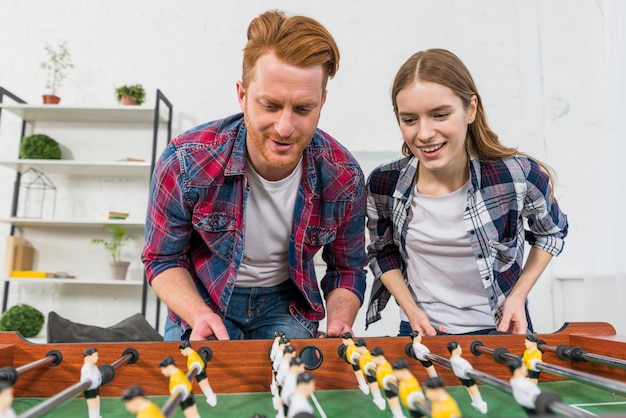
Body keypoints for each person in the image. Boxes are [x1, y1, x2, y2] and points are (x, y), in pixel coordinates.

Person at [142, 9, 367, 342]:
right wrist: (198, 315)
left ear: (322, 102)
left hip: (286, 305)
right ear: (242, 96)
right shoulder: (185, 162)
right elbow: (162, 257)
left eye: (303, 108)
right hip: (204, 298)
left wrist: (339, 320)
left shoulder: (343, 176)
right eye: (270, 105)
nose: (285, 128)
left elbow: (347, 269)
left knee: (294, 390)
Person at [365, 48, 568, 337]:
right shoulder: (384, 184)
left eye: (440, 115)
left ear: (470, 109)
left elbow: (551, 233)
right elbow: (382, 252)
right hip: (421, 334)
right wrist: (410, 309)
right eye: (410, 119)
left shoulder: (517, 176)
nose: (424, 133)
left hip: (502, 331)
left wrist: (517, 296)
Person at [446, 342, 487, 414]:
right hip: (467, 377)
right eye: (459, 347)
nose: (461, 349)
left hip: (462, 377)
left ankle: (477, 402)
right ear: (455, 349)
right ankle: (479, 404)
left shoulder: (452, 359)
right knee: (474, 391)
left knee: (470, 391)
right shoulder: (459, 360)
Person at [370, 347, 406, 418]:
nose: (372, 360)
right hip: (386, 387)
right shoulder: (380, 366)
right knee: (391, 400)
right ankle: (396, 414)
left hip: (389, 387)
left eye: (373, 358)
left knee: (393, 399)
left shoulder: (386, 367)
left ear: (380, 357)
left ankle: (398, 415)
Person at [178, 341, 217, 405]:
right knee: (204, 386)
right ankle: (211, 397)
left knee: (204, 386)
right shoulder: (192, 355)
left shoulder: (192, 356)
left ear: (187, 349)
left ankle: (211, 398)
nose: (181, 353)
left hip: (199, 372)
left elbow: (196, 364)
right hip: (199, 371)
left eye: (182, 351)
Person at [80, 348, 102, 418]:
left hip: (95, 386)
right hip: (90, 389)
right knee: (92, 405)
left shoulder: (94, 367)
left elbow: (98, 376)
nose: (97, 358)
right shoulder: (86, 369)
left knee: (97, 402)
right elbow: (88, 380)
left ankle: (97, 416)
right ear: (88, 357)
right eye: (95, 356)